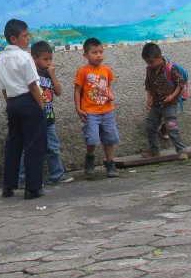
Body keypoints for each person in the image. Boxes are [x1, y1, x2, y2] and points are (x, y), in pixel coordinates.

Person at [0, 19, 46, 199]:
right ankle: (32, 188)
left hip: (13, 103)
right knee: (33, 144)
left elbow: (3, 89)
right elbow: (33, 84)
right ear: (13, 38)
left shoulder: (0, 61)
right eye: (25, 35)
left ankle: (8, 186)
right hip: (29, 101)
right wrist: (41, 106)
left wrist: (10, 104)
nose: (28, 38)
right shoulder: (24, 57)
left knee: (13, 144)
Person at [17, 41, 71, 187]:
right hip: (32, 120)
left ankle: (56, 176)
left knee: (53, 148)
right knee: (30, 149)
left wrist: (53, 75)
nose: (49, 62)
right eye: (45, 59)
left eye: (50, 59)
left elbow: (58, 92)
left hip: (49, 119)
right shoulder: (29, 74)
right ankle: (23, 179)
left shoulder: (48, 73)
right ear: (34, 58)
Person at [75, 37, 120, 178]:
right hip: (90, 112)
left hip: (106, 110)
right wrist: (78, 108)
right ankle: (89, 159)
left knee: (109, 138)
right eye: (94, 52)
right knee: (92, 138)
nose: (99, 55)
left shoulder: (106, 69)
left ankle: (110, 163)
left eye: (101, 51)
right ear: (86, 55)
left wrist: (110, 94)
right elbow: (77, 90)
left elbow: (108, 86)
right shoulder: (83, 71)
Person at [141, 42, 189, 160]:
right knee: (150, 126)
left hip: (169, 105)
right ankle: (154, 150)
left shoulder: (170, 68)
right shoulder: (149, 70)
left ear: (160, 57)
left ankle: (181, 150)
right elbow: (148, 85)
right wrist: (149, 99)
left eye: (151, 62)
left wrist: (172, 96)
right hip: (156, 105)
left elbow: (181, 83)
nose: (149, 65)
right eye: (147, 62)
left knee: (171, 127)